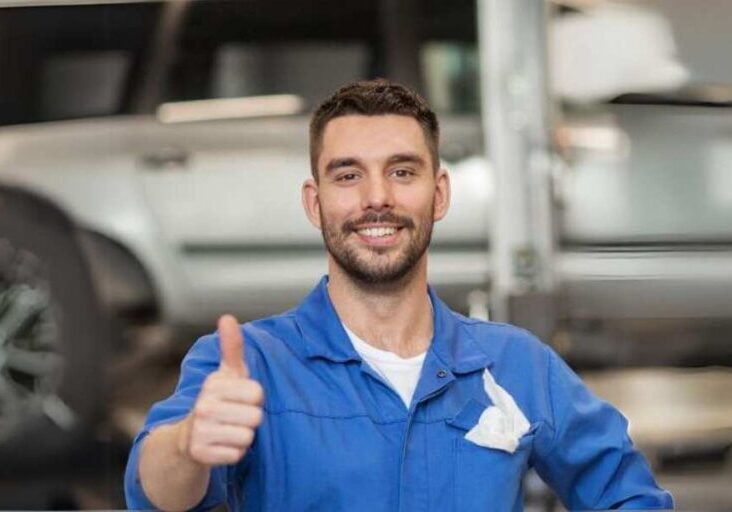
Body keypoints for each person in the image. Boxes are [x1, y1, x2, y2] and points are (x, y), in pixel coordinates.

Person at [125, 79, 673, 511]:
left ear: (438, 195)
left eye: (402, 171)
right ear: (315, 204)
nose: (377, 198)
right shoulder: (251, 366)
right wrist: (189, 443)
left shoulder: (517, 366)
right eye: (348, 176)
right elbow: (154, 494)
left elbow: (629, 496)